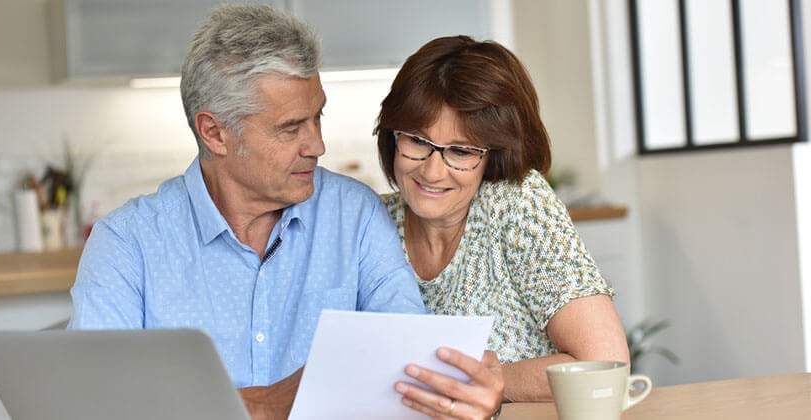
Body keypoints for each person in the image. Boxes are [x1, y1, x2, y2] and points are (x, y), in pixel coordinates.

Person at [67, 5, 502, 419]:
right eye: (291, 128)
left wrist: (459, 395)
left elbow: (411, 369)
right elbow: (93, 402)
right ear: (215, 132)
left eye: (318, 118)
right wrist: (264, 407)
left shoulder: (355, 216)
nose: (317, 145)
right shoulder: (127, 244)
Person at [376, 35, 631, 402]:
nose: (432, 172)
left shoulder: (516, 204)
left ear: (495, 155)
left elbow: (605, 364)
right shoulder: (373, 219)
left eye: (461, 151)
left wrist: (479, 386)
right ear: (392, 137)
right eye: (417, 141)